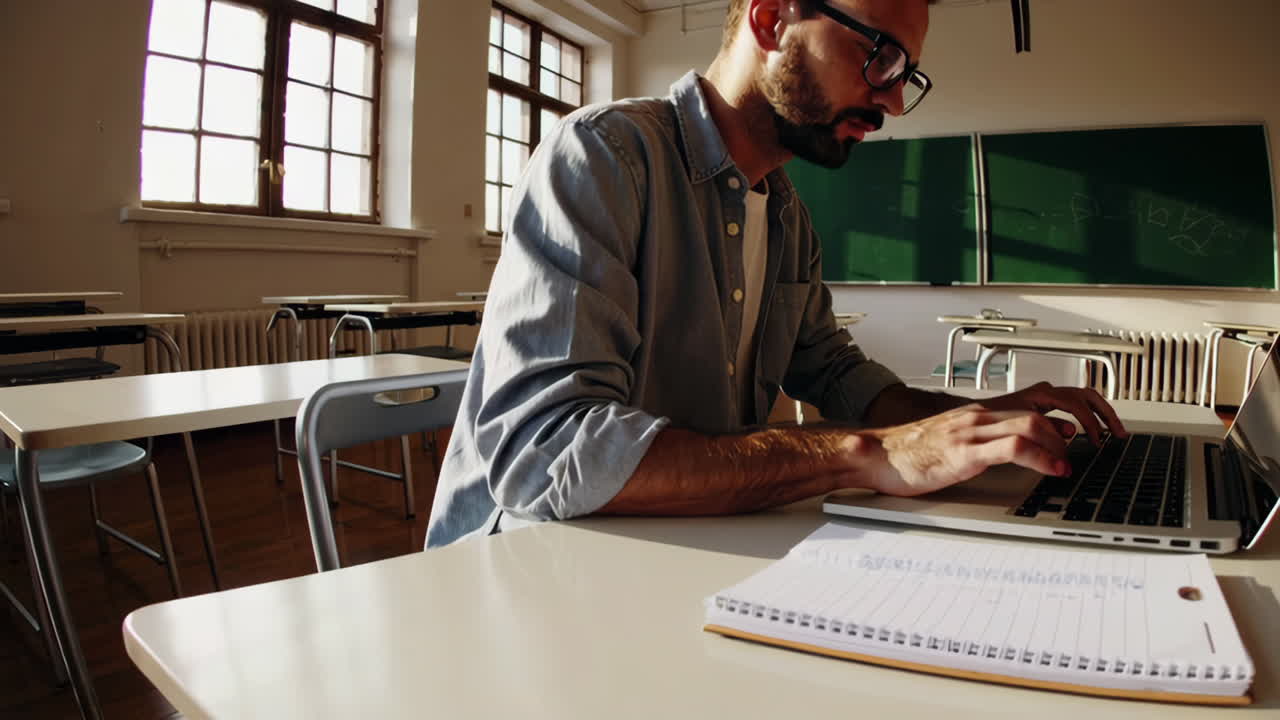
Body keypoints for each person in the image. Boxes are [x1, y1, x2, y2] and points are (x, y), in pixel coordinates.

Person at [425, 0, 1126, 547]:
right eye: (879, 55)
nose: (890, 101)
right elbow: (546, 451)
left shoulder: (788, 215)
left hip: (683, 543)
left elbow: (836, 373)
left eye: (904, 71)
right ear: (770, 19)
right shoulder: (604, 157)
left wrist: (975, 421)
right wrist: (862, 454)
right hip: (528, 564)